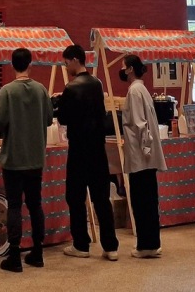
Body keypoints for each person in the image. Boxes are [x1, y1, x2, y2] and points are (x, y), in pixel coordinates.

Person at [0, 46, 53, 273]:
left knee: (15, 205)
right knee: (35, 204)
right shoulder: (41, 90)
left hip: (13, 158)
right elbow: (49, 119)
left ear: (12, 65)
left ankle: (15, 254)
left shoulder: (6, 91)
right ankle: (38, 251)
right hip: (36, 158)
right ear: (30, 64)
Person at [56, 43, 119, 261]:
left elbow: (63, 117)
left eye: (66, 63)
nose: (66, 67)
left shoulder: (71, 88)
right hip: (98, 149)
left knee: (75, 197)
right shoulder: (97, 84)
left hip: (78, 150)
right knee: (102, 198)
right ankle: (110, 246)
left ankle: (81, 244)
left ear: (75, 60)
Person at [120, 54, 166, 258]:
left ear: (130, 69)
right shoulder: (142, 89)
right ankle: (152, 243)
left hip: (141, 155)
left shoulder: (134, 91)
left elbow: (140, 124)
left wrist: (145, 148)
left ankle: (146, 245)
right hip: (145, 154)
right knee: (149, 200)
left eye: (123, 66)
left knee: (141, 201)